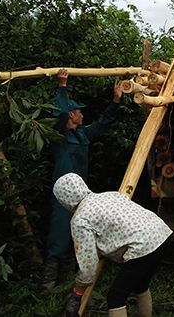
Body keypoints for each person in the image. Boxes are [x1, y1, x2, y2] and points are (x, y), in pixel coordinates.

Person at [42, 68, 123, 292]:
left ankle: (68, 279)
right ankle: (48, 285)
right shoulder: (59, 136)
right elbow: (58, 113)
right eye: (79, 112)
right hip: (62, 197)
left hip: (81, 198)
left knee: (76, 236)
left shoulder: (82, 134)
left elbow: (103, 123)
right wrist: (62, 86)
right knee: (59, 235)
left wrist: (115, 101)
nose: (83, 115)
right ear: (71, 116)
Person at [53, 173, 172, 317]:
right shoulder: (109, 195)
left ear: (63, 200)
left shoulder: (80, 220)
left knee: (115, 297)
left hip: (142, 247)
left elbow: (88, 263)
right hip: (162, 233)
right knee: (140, 285)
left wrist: (77, 293)